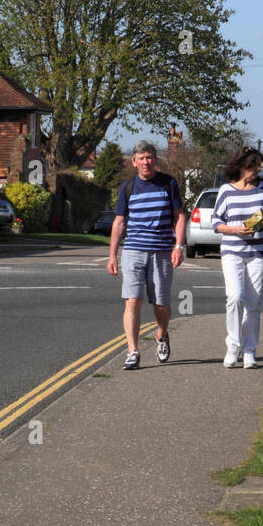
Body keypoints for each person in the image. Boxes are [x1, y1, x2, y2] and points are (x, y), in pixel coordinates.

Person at [107, 140, 185, 370]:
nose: (146, 162)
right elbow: (120, 221)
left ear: (155, 160)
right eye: (141, 158)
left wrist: (178, 246)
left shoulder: (168, 183)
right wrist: (112, 255)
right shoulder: (127, 187)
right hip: (133, 250)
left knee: (161, 304)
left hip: (161, 251)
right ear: (134, 162)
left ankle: (161, 334)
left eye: (149, 157)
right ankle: (133, 351)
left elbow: (179, 216)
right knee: (132, 301)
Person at [212, 146, 263, 369]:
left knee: (254, 304)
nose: (258, 169)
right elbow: (217, 223)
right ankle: (233, 346)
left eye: (259, 164)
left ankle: (250, 350)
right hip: (232, 252)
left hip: (259, 253)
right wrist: (235, 230)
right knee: (235, 297)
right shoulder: (226, 190)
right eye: (255, 165)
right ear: (243, 166)